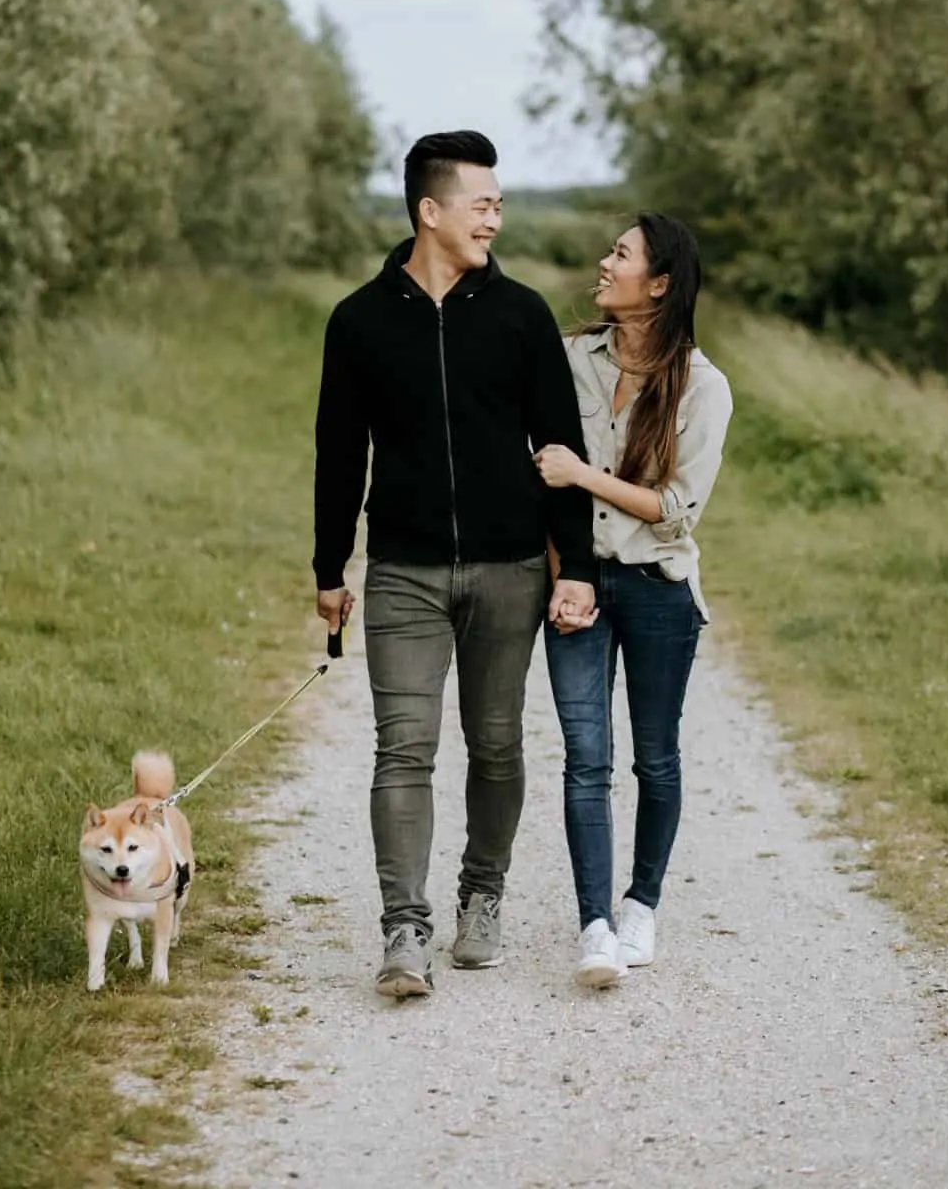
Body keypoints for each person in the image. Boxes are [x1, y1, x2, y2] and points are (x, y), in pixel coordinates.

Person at [313, 130, 597, 997]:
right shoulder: (359, 321)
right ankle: (404, 928)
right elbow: (337, 451)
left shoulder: (520, 317)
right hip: (402, 570)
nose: (496, 219)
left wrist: (574, 563)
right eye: (484, 204)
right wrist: (332, 569)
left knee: (498, 742)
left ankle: (483, 897)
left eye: (502, 205)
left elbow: (561, 444)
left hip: (511, 567)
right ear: (430, 211)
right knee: (403, 748)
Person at [534, 213, 732, 988]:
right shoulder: (567, 360)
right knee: (586, 761)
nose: (603, 262)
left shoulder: (702, 387)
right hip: (581, 585)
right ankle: (594, 925)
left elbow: (677, 509)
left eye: (621, 254)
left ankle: (641, 902)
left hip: (658, 591)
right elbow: (538, 477)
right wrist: (563, 575)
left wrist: (585, 476)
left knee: (655, 757)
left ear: (658, 283)